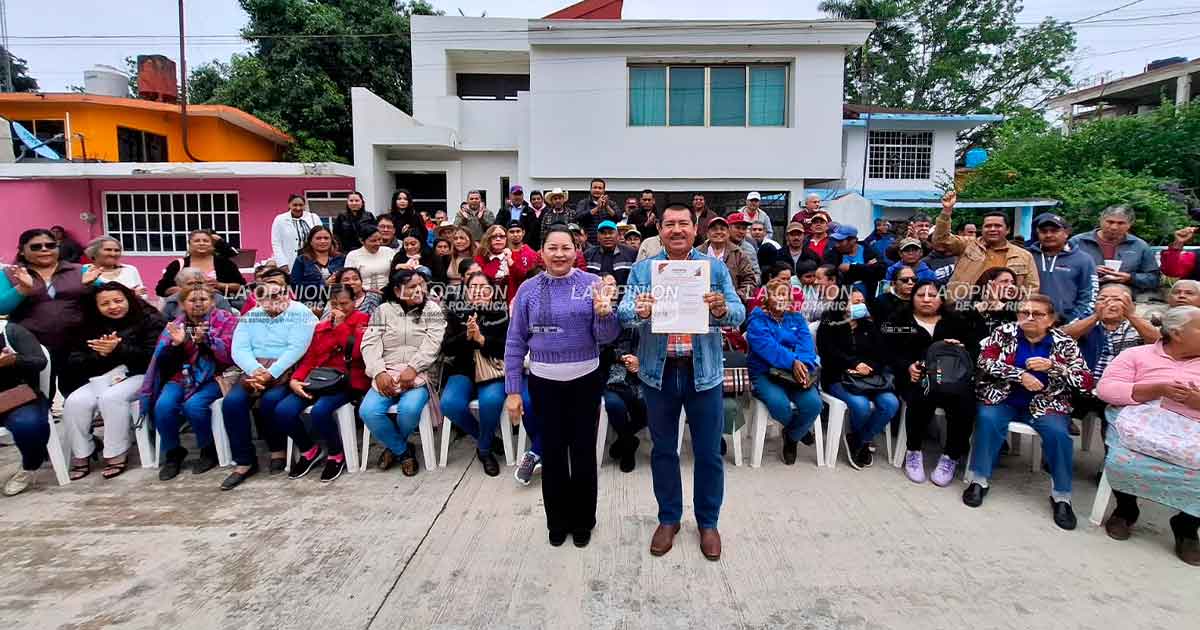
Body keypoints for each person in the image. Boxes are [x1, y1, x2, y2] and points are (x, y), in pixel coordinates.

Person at [618, 203, 746, 561]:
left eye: (683, 224)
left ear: (695, 229)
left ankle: (708, 522)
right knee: (663, 450)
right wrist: (639, 310)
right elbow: (623, 313)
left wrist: (721, 310)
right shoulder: (645, 269)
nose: (676, 230)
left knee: (708, 453)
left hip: (703, 373)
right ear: (660, 230)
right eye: (670, 224)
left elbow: (738, 312)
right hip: (659, 374)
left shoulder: (713, 268)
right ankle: (669, 518)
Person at [504, 226, 619, 546]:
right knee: (553, 453)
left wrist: (605, 314)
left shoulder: (592, 284)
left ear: (576, 250)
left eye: (566, 248)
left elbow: (608, 336)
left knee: (583, 453)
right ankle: (557, 520)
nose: (559, 254)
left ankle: (583, 520)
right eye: (552, 248)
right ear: (541, 252)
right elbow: (515, 341)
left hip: (585, 381)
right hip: (544, 383)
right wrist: (513, 390)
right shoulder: (528, 289)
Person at [963, 295, 1092, 530]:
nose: (1030, 317)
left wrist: (1054, 367)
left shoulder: (1064, 342)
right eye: (1024, 313)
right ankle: (978, 480)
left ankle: (1061, 496)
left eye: (1038, 314)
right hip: (1003, 397)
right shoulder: (1005, 333)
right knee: (987, 419)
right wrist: (1019, 375)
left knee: (1058, 434)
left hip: (1047, 402)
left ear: (1051, 319)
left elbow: (1085, 381)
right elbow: (984, 361)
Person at [1094, 306, 1200, 565]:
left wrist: (1195, 401)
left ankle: (1187, 526)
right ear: (1177, 333)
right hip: (1139, 423)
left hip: (1192, 428)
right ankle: (1126, 509)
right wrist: (1156, 389)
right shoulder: (1137, 355)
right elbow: (1106, 389)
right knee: (1121, 456)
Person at [221, 271, 318, 490]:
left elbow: (297, 348)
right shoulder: (251, 316)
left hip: (287, 370)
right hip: (254, 370)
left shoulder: (300, 312)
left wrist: (270, 374)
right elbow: (239, 349)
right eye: (268, 297)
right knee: (232, 403)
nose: (275, 300)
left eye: (279, 294)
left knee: (270, 401)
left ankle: (277, 450)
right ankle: (244, 462)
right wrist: (255, 371)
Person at [63, 283, 165, 480]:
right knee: (75, 401)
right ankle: (82, 453)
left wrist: (118, 349)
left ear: (129, 299)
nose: (113, 307)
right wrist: (99, 355)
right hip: (104, 377)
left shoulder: (149, 319)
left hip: (141, 375)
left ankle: (116, 452)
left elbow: (153, 357)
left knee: (111, 398)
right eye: (105, 304)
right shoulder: (89, 325)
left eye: (118, 301)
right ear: (96, 307)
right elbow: (74, 361)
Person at [884, 280, 982, 485]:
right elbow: (889, 352)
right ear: (912, 298)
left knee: (965, 403)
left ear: (942, 298)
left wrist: (960, 348)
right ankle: (913, 451)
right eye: (921, 295)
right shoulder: (899, 320)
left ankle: (950, 456)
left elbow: (975, 349)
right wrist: (907, 366)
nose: (926, 300)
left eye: (932, 295)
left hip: (952, 377)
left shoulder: (956, 321)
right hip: (916, 376)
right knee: (922, 394)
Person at [272, 283, 369, 483]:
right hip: (318, 380)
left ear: (354, 302)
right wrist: (296, 380)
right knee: (283, 411)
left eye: (344, 303)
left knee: (320, 411)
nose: (339, 308)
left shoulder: (363, 320)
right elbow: (310, 359)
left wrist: (340, 327)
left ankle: (336, 453)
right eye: (334, 304)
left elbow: (357, 353)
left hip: (346, 380)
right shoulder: (321, 327)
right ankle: (309, 450)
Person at [139, 285, 237, 480]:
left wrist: (205, 341)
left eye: (203, 299)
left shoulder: (226, 321)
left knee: (194, 405)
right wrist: (178, 345)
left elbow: (230, 357)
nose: (198, 304)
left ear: (212, 302)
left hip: (217, 376)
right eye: (192, 300)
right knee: (163, 406)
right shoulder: (175, 326)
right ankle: (173, 452)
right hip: (182, 376)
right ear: (182, 304)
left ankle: (207, 449)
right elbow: (163, 363)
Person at [360, 269, 447, 476]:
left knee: (409, 410)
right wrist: (379, 372)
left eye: (421, 285)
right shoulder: (383, 310)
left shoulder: (432, 309)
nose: (419, 290)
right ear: (397, 290)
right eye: (411, 287)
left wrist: (413, 367)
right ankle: (403, 450)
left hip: (419, 373)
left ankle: (393, 448)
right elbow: (369, 343)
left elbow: (433, 344)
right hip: (387, 372)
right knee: (368, 411)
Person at [1062, 283, 1158, 445]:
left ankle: (1109, 458)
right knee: (1056, 411)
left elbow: (1158, 342)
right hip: (1082, 388)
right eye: (1102, 299)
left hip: (1118, 391)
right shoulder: (1088, 321)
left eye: (1117, 299)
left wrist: (1131, 316)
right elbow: (1062, 337)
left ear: (1131, 304)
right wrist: (1096, 317)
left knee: (1114, 427)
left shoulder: (1139, 325)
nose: (1109, 303)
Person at [817, 290, 900, 469]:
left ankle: (859, 440)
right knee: (861, 406)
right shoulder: (829, 324)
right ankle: (861, 441)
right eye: (855, 302)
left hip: (871, 378)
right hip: (838, 376)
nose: (860, 305)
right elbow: (828, 354)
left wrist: (869, 368)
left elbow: (883, 355)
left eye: (862, 301)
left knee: (891, 403)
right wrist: (853, 364)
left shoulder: (870, 326)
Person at [440, 272, 511, 477]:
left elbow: (507, 348)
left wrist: (482, 340)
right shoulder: (457, 313)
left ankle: (485, 451)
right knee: (450, 404)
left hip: (492, 369)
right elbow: (447, 348)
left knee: (491, 401)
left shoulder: (502, 314)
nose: (478, 292)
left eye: (483, 287)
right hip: (464, 370)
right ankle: (486, 438)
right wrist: (467, 335)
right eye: (473, 288)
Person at [746, 278, 822, 465]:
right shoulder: (757, 319)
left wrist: (802, 364)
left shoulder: (797, 319)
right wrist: (792, 361)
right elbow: (767, 347)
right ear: (767, 297)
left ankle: (791, 435)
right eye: (776, 294)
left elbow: (806, 346)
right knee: (779, 404)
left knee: (814, 404)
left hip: (794, 373)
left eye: (784, 295)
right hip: (765, 372)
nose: (780, 298)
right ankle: (799, 432)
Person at [8, 229, 91, 396]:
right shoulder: (10, 273)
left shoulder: (78, 270)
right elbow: (2, 307)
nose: (44, 249)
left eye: (50, 245)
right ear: (22, 251)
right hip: (33, 347)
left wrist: (92, 286)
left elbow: (110, 295)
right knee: (39, 393)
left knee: (77, 393)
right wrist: (22, 288)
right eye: (36, 247)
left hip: (75, 342)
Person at [934, 192, 1039, 303]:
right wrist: (946, 211)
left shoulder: (1024, 255)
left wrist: (1018, 308)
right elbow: (941, 241)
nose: (992, 229)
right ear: (982, 229)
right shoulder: (967, 245)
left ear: (1008, 230)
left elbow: (1032, 289)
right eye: (988, 226)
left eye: (998, 226)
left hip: (1004, 309)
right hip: (963, 307)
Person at [0, 319, 51, 496]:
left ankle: (29, 467)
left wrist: (14, 360)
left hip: (16, 399)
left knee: (28, 425)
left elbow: (39, 361)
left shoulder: (11, 331)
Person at [1069, 205, 1160, 300]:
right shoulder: (1078, 242)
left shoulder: (1140, 246)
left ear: (1130, 224)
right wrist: (1089, 271)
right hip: (1082, 290)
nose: (1114, 227)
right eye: (1110, 222)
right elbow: (1062, 269)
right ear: (1101, 220)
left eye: (1121, 223)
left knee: (1115, 296)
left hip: (1122, 293)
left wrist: (1130, 278)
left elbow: (1153, 279)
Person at [1028, 213, 1096, 323]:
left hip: (1067, 323)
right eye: (1044, 231)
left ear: (1066, 233)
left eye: (1054, 231)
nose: (1048, 235)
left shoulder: (1083, 260)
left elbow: (1089, 296)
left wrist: (1073, 321)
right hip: (1029, 319)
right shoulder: (1027, 256)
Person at [154, 230, 245, 299]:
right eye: (197, 241)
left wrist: (219, 285)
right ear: (189, 244)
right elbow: (161, 289)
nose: (201, 243)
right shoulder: (177, 265)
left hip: (219, 306)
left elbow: (241, 287)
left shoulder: (225, 263)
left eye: (206, 241)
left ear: (212, 245)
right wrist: (184, 290)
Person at [698, 215, 757, 302]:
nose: (718, 232)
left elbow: (750, 281)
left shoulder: (739, 254)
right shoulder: (697, 252)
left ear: (728, 233)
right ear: (707, 234)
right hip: (701, 302)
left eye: (722, 229)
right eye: (714, 229)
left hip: (731, 304)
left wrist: (736, 298)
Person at [289, 225, 345, 311]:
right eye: (318, 238)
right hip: (310, 306)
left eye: (326, 238)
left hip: (338, 304)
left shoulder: (341, 258)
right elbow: (296, 287)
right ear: (310, 241)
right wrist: (323, 284)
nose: (323, 241)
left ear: (331, 240)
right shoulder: (301, 260)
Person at [476, 224, 535, 304]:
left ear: (506, 239)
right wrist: (496, 261)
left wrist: (510, 261)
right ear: (488, 239)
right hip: (487, 301)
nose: (498, 239)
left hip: (511, 302)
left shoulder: (514, 255)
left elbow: (521, 277)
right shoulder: (481, 258)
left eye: (502, 236)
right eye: (494, 236)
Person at [822, 224, 884, 297]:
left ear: (853, 240)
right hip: (841, 298)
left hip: (867, 298)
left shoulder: (870, 251)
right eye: (836, 241)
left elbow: (880, 271)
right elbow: (828, 273)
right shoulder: (832, 254)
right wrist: (866, 267)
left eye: (841, 241)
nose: (837, 245)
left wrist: (851, 268)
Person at [270, 194, 323, 270]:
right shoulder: (280, 219)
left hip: (311, 257)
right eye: (295, 205)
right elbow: (276, 243)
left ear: (304, 205)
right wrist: (282, 263)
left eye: (301, 205)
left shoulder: (313, 217)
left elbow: (321, 237)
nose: (298, 208)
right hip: (290, 259)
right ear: (289, 205)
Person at [160, 267, 233, 320]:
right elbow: (163, 325)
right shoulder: (172, 301)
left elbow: (229, 322)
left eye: (199, 283)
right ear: (180, 286)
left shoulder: (219, 299)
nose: (195, 286)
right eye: (190, 284)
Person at [961, 266, 1021, 331]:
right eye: (1005, 281)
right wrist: (984, 306)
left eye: (1012, 283)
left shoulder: (1015, 307)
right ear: (989, 283)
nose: (1011, 286)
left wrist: (997, 304)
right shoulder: (967, 306)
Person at [81, 237, 145, 295]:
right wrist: (130, 294)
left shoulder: (130, 269)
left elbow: (143, 295)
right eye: (108, 250)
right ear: (94, 252)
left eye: (117, 250)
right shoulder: (83, 271)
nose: (113, 254)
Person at [344, 223, 397, 293]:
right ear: (362, 241)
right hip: (363, 292)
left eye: (379, 239)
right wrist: (366, 290)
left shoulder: (389, 251)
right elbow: (349, 280)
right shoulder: (353, 255)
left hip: (388, 291)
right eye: (373, 241)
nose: (378, 243)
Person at [585, 220, 639, 287]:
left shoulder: (631, 253)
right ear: (598, 237)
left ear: (617, 236)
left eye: (611, 233)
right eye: (603, 233)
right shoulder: (588, 254)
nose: (607, 236)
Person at [574, 178, 622, 245]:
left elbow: (619, 217)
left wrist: (607, 207)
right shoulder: (583, 203)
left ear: (604, 190)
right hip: (589, 242)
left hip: (607, 241)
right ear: (591, 189)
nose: (597, 190)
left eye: (600, 188)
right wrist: (597, 208)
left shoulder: (611, 203)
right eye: (595, 187)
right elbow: (578, 217)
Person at [495, 185, 541, 250]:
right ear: (510, 196)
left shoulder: (529, 211)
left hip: (525, 246)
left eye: (519, 194)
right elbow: (498, 226)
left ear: (522, 196)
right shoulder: (503, 210)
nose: (517, 197)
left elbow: (534, 231)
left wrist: (523, 243)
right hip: (506, 246)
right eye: (515, 194)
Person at [726, 212, 762, 280]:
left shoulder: (749, 248)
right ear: (728, 228)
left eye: (744, 228)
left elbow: (756, 274)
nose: (741, 231)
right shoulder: (718, 244)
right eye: (737, 228)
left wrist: (748, 285)